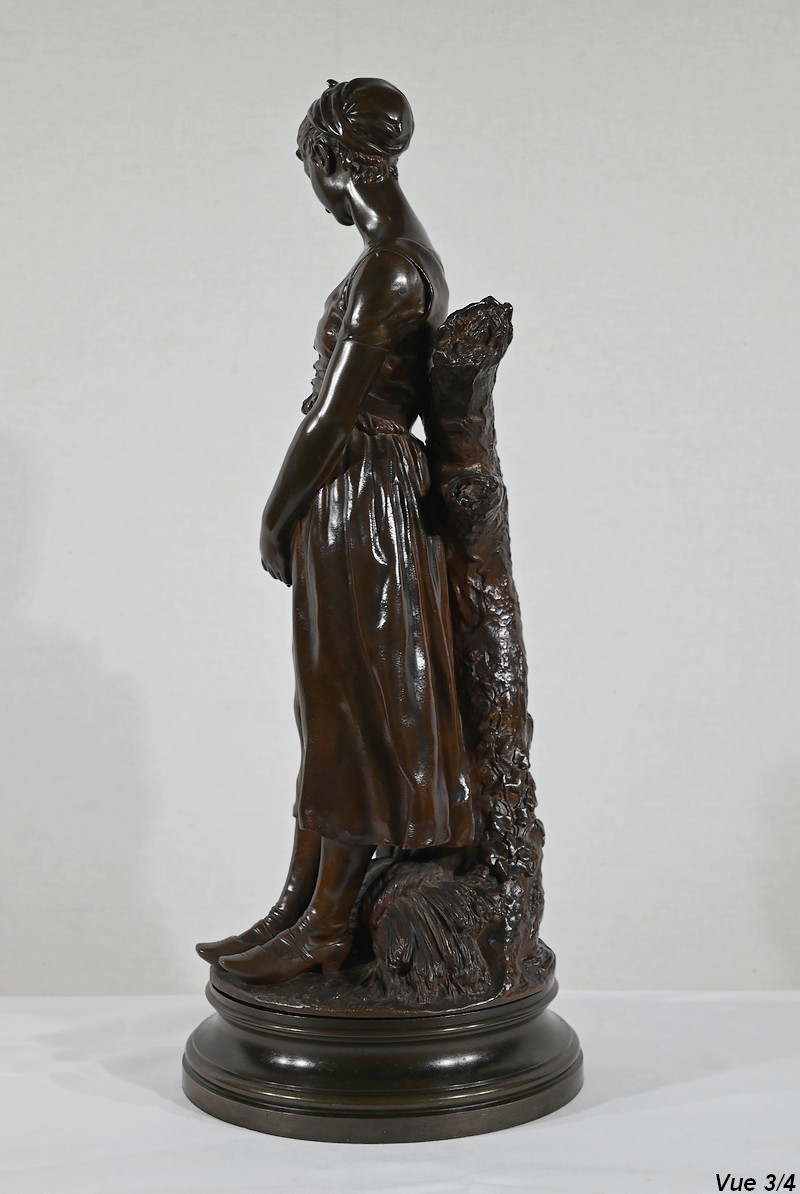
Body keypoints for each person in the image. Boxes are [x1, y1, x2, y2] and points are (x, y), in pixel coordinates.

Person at [197, 79, 472, 983]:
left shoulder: (391, 266)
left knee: (351, 704)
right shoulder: (397, 259)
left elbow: (330, 416)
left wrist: (274, 516)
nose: (314, 191)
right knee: (326, 702)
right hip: (356, 495)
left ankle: (325, 924)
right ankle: (298, 900)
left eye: (307, 168)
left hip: (362, 498)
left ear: (326, 158)